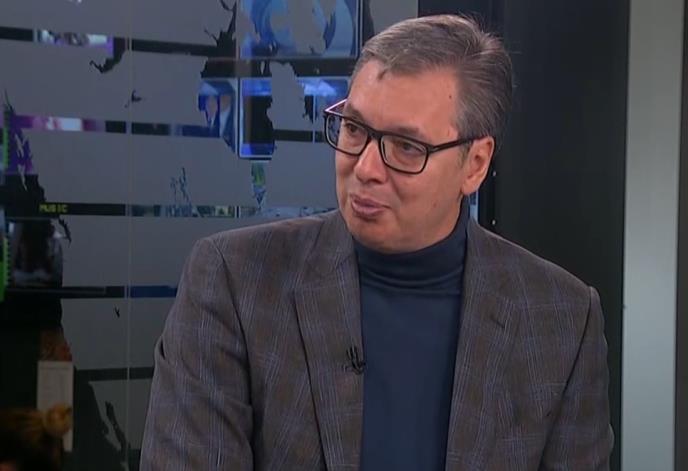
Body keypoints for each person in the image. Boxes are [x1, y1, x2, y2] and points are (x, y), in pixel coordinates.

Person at [141, 14, 613, 470]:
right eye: (354, 129)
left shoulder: (562, 319)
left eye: (406, 146)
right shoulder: (234, 282)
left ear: (474, 165)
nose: (365, 168)